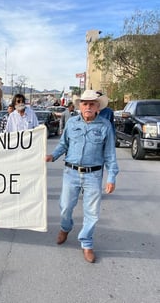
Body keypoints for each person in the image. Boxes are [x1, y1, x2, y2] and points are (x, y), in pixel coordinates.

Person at [45, 90, 119, 263]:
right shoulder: (71, 123)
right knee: (65, 207)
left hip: (93, 175)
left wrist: (111, 177)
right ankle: (65, 228)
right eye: (85, 103)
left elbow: (110, 155)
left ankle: (87, 243)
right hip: (71, 173)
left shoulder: (105, 126)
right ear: (80, 106)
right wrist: (52, 156)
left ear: (97, 107)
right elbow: (63, 145)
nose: (88, 107)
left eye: (92, 104)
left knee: (92, 212)